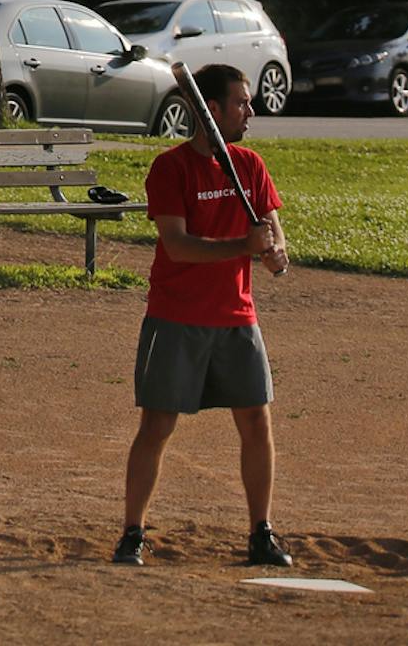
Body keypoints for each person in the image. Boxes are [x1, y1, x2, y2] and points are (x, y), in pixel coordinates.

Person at [114, 62, 292, 572]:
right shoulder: (170, 168)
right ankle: (133, 533)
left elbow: (273, 232)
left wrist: (274, 251)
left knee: (257, 420)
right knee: (158, 424)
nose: (249, 110)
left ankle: (261, 531)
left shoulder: (251, 166)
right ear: (211, 111)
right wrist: (243, 245)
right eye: (240, 102)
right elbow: (178, 246)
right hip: (177, 317)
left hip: (237, 316)